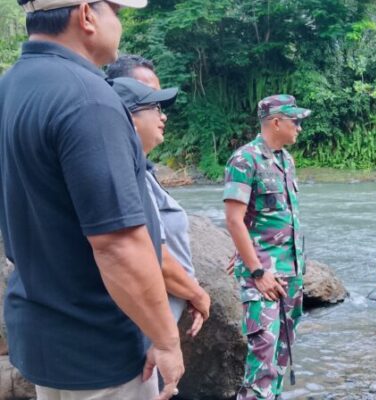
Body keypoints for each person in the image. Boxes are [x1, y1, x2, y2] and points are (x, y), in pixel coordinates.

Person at [0, 0, 184, 399]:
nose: (119, 21)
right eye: (115, 10)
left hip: (44, 340)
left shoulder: (9, 87)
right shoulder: (88, 98)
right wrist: (166, 340)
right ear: (86, 15)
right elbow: (117, 245)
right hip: (102, 350)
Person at [224, 95, 310, 400]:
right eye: (295, 121)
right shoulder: (244, 160)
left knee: (281, 356)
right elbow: (233, 219)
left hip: (290, 273)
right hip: (263, 276)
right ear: (276, 122)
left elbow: (268, 217)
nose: (299, 127)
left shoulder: (286, 160)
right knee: (262, 357)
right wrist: (256, 270)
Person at [111, 77, 211, 338]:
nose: (163, 116)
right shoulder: (125, 177)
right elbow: (151, 253)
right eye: (155, 108)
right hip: (143, 328)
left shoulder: (141, 172)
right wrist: (197, 294)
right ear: (130, 119)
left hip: (157, 323)